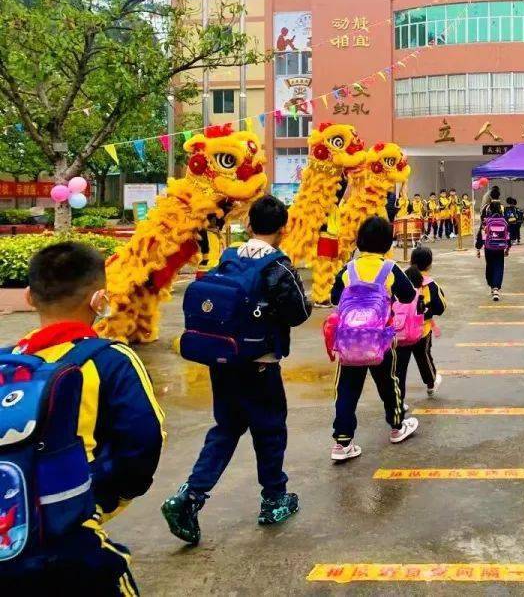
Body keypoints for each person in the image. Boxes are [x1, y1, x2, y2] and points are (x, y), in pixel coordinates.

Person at [2, 242, 164, 594]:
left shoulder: (7, 364)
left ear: (29, 297)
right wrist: (99, 502)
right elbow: (144, 440)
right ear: (99, 300)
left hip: (9, 532)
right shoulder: (111, 360)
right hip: (73, 536)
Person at [162, 195, 312, 545]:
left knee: (226, 429)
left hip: (222, 361)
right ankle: (274, 499)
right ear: (283, 229)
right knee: (270, 430)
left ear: (248, 225)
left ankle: (189, 497)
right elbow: (297, 315)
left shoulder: (228, 258)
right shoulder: (278, 267)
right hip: (260, 365)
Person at [329, 216, 419, 461]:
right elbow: (409, 295)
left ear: (359, 241)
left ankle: (342, 442)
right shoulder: (390, 269)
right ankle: (397, 426)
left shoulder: (348, 270)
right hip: (380, 340)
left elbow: (334, 299)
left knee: (347, 390)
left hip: (349, 342)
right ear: (388, 243)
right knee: (388, 384)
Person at [394, 247, 445, 403]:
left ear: (411, 260)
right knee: (424, 357)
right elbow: (441, 307)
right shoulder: (431, 285)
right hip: (422, 330)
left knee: (400, 367)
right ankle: (430, 384)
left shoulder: (400, 280)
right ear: (429, 264)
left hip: (400, 330)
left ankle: (399, 401)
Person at [476, 191, 511, 301]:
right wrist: (508, 247)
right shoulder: (503, 215)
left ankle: (491, 286)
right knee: (499, 266)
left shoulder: (486, 217)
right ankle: (496, 288)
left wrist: (478, 247)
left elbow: (481, 232)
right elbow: (507, 232)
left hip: (488, 246)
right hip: (500, 246)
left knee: (489, 265)